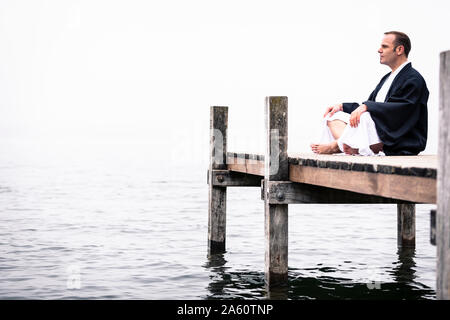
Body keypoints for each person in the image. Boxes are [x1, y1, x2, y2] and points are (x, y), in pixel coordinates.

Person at [311, 31, 429, 156]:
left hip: (399, 139)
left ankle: (337, 146)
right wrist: (342, 106)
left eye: (384, 46)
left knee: (364, 117)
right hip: (377, 131)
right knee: (334, 116)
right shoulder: (387, 78)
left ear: (399, 49)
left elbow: (400, 111)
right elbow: (369, 107)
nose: (379, 50)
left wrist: (367, 107)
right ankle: (350, 144)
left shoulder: (413, 79)